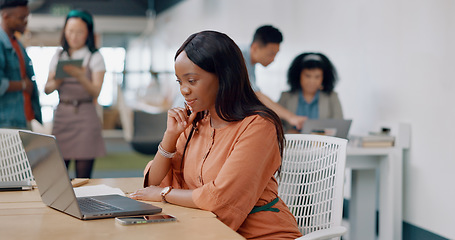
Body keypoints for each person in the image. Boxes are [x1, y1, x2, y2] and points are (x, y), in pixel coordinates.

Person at [130, 31, 302, 239]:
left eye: (192, 80)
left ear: (224, 76)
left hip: (261, 234)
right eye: (180, 82)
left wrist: (164, 195)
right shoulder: (195, 122)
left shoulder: (259, 126)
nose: (184, 90)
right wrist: (170, 137)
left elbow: (221, 199)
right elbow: (153, 183)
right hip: (205, 229)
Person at [44, 9, 105, 178]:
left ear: (88, 33)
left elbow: (96, 91)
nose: (74, 36)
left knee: (83, 177)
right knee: (58, 175)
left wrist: (80, 76)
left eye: (80, 32)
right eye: (70, 31)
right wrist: (58, 81)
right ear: (64, 31)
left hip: (86, 116)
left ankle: (84, 205)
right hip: (63, 115)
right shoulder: (59, 55)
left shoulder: (95, 57)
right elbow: (47, 89)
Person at [241, 25, 306, 131]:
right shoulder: (240, 57)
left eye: (276, 54)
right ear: (255, 47)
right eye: (271, 54)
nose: (273, 59)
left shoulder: (250, 62)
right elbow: (256, 95)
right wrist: (291, 117)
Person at [0, 0, 42, 129]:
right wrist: (23, 85)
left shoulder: (17, 44)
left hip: (23, 118)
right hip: (6, 123)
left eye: (26, 17)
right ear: (5, 16)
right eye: (21, 18)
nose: (25, 21)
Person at [278, 52, 343, 133]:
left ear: (323, 78)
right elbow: (275, 124)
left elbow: (339, 127)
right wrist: (288, 132)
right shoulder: (286, 97)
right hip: (291, 143)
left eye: (317, 77)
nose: (312, 81)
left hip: (323, 144)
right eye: (307, 76)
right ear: (299, 75)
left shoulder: (332, 97)